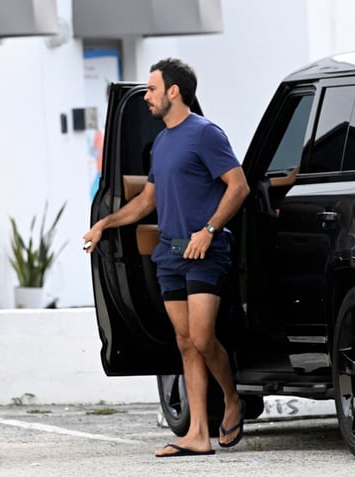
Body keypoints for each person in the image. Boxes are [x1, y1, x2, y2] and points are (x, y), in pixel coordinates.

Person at [83, 58, 250, 457]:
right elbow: (149, 201)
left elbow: (238, 186)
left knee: (203, 337)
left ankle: (231, 400)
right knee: (185, 342)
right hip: (169, 255)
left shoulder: (205, 134)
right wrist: (105, 223)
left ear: (173, 91)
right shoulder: (161, 142)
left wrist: (208, 231)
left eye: (152, 89)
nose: (147, 97)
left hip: (204, 252)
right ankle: (197, 433)